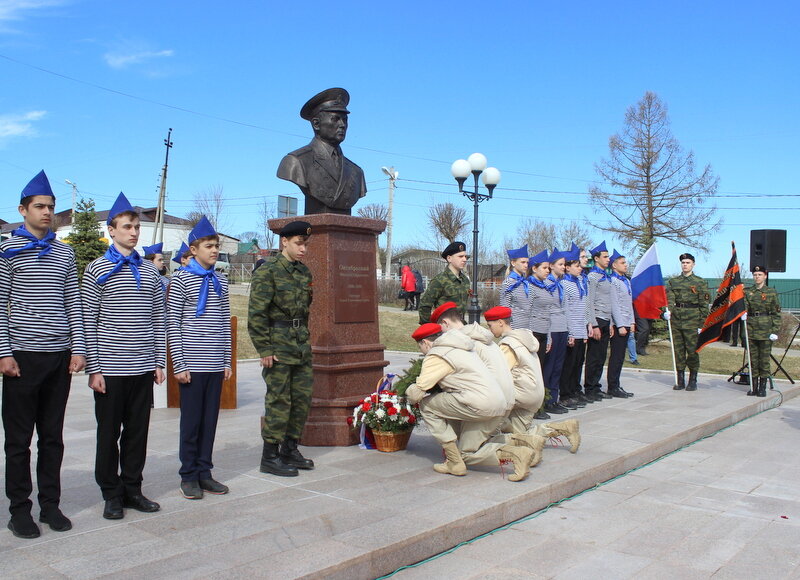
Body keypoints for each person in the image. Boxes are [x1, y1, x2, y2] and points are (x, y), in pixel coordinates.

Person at [0, 171, 85, 539]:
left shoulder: (64, 252)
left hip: (57, 356)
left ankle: (50, 505)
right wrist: (4, 353)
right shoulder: (6, 251)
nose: (48, 212)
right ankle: (20, 509)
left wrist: (78, 348)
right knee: (19, 441)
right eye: (40, 206)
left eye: (51, 206)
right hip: (22, 357)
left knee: (52, 437)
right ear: (23, 210)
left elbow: (73, 302)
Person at [82, 193, 166, 520]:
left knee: (137, 433)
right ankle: (110, 493)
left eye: (136, 227)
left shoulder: (149, 272)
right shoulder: (96, 269)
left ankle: (133, 488)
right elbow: (88, 320)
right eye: (127, 227)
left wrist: (159, 361)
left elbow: (158, 318)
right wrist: (95, 368)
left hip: (142, 366)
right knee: (108, 434)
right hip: (111, 368)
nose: (133, 232)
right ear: (111, 231)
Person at [405, 323, 533, 482]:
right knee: (467, 450)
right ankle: (526, 445)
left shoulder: (437, 355)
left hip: (479, 405)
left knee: (427, 405)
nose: (422, 352)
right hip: (498, 402)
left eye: (420, 348)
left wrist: (408, 392)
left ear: (425, 343)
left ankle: (454, 460)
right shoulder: (463, 347)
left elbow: (417, 393)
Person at [167, 216, 232, 499]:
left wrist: (227, 361)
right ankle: (188, 475)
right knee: (191, 422)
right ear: (194, 250)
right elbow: (173, 323)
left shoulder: (221, 281)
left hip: (215, 364)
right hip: (192, 365)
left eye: (216, 246)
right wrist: (179, 364)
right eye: (208, 246)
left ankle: (205, 472)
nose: (214, 250)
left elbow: (224, 322)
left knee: (209, 421)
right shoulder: (181, 280)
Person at [248, 221, 315, 477]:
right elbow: (256, 314)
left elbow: (305, 312)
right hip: (277, 345)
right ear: (284, 242)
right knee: (279, 400)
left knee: (300, 399)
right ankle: (270, 455)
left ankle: (290, 449)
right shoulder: (268, 272)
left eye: (305, 244)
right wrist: (264, 348)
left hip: (299, 345)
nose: (303, 249)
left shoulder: (303, 273)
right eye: (299, 243)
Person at [484, 306, 581, 464]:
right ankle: (565, 427)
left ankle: (526, 449)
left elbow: (500, 375)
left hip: (520, 395)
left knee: (488, 428)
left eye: (490, 325)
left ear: (500, 322)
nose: (489, 329)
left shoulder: (508, 345)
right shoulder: (523, 338)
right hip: (534, 393)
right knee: (522, 431)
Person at [277, 88, 367, 215]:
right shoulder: (296, 161)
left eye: (345, 120)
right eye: (335, 119)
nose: (342, 125)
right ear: (316, 124)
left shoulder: (357, 172)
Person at [431, 302, 515, 415]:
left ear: (445, 323)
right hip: (507, 400)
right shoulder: (484, 338)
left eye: (440, 330)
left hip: (490, 404)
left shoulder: (464, 342)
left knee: (433, 405)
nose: (441, 334)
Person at [664, 253, 710, 391]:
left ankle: (693, 379)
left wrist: (702, 324)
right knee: (678, 350)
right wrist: (668, 311)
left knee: (692, 351)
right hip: (677, 319)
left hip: (693, 320)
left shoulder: (700, 282)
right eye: (683, 262)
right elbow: (670, 299)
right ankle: (680, 379)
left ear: (693, 264)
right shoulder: (673, 282)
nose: (685, 265)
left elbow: (704, 304)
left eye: (688, 262)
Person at [559, 247, 593, 407]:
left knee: (578, 363)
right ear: (567, 267)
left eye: (580, 266)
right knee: (569, 364)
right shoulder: (565, 283)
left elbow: (584, 306)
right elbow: (567, 310)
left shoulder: (580, 281)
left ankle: (573, 391)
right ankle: (565, 394)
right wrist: (570, 332)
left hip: (581, 329)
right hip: (571, 329)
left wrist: (587, 327)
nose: (580, 268)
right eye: (577, 265)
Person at [743, 265, 781, 397]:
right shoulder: (747, 292)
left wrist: (775, 331)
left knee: (764, 360)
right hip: (752, 328)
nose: (757, 277)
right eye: (755, 275)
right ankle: (754, 386)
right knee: (753, 359)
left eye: (759, 275)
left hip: (766, 330)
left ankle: (762, 387)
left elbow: (776, 313)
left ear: (765, 276)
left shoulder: (771, 292)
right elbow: (744, 308)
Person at [584, 241, 614, 401]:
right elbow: (589, 301)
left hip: (606, 320)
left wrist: (610, 323)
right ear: (596, 259)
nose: (608, 259)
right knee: (594, 356)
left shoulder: (606, 276)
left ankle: (596, 386)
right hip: (597, 319)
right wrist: (593, 323)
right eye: (605, 257)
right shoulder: (592, 277)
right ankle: (589, 387)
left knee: (602, 355)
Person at [418, 241, 470, 324]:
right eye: (460, 256)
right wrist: (430, 330)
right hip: (444, 329)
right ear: (449, 258)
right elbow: (425, 306)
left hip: (460, 327)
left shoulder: (465, 280)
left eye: (465, 256)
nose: (464, 259)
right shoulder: (439, 280)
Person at [607, 250, 635, 398]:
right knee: (616, 356)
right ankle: (612, 386)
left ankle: (616, 384)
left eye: (626, 262)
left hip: (626, 322)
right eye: (622, 263)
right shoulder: (613, 281)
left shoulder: (626, 280)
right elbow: (615, 304)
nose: (626, 265)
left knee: (621, 356)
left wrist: (632, 321)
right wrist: (620, 325)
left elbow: (629, 303)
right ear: (614, 265)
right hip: (619, 324)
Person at [499, 244, 532, 330]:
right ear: (513, 263)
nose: (526, 265)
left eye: (527, 262)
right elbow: (504, 308)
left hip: (527, 328)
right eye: (523, 262)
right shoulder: (508, 283)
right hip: (514, 329)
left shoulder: (526, 283)